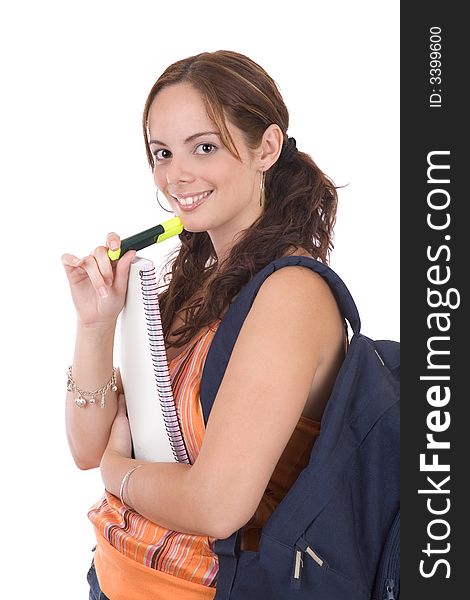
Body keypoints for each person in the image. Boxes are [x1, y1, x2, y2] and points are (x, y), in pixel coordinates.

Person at [62, 49, 346, 600]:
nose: (175, 175)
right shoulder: (197, 288)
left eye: (205, 147)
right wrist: (95, 323)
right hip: (116, 578)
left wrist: (117, 473)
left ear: (265, 147)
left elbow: (217, 506)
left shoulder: (290, 294)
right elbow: (85, 444)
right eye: (162, 153)